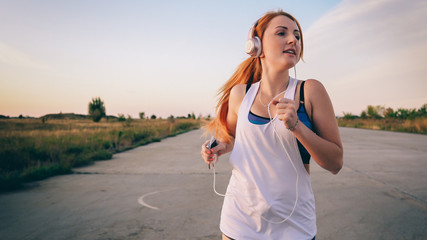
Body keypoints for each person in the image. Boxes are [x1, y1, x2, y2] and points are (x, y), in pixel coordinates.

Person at [201, 10, 343, 240]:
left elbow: (335, 163)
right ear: (257, 46)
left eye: (297, 36)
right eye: (282, 33)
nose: (293, 40)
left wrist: (297, 126)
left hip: (295, 225)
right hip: (240, 222)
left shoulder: (311, 91)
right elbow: (232, 139)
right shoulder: (240, 94)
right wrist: (217, 147)